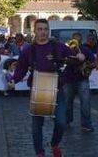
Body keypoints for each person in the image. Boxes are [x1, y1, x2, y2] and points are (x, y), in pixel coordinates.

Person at [12, 19, 77, 157]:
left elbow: (73, 59)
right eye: (40, 29)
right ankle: (39, 152)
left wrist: (80, 56)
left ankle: (54, 144)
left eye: (45, 29)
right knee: (37, 125)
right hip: (37, 89)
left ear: (49, 31)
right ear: (35, 31)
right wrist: (14, 80)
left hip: (56, 89)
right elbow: (21, 68)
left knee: (61, 122)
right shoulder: (28, 50)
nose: (43, 32)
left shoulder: (58, 46)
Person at [63, 32, 95, 132]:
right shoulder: (67, 50)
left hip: (82, 79)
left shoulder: (85, 50)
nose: (76, 42)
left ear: (81, 41)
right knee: (67, 102)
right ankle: (66, 121)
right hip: (68, 78)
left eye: (78, 40)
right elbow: (62, 60)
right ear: (72, 40)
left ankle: (86, 124)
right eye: (74, 40)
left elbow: (94, 62)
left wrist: (86, 65)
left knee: (85, 102)